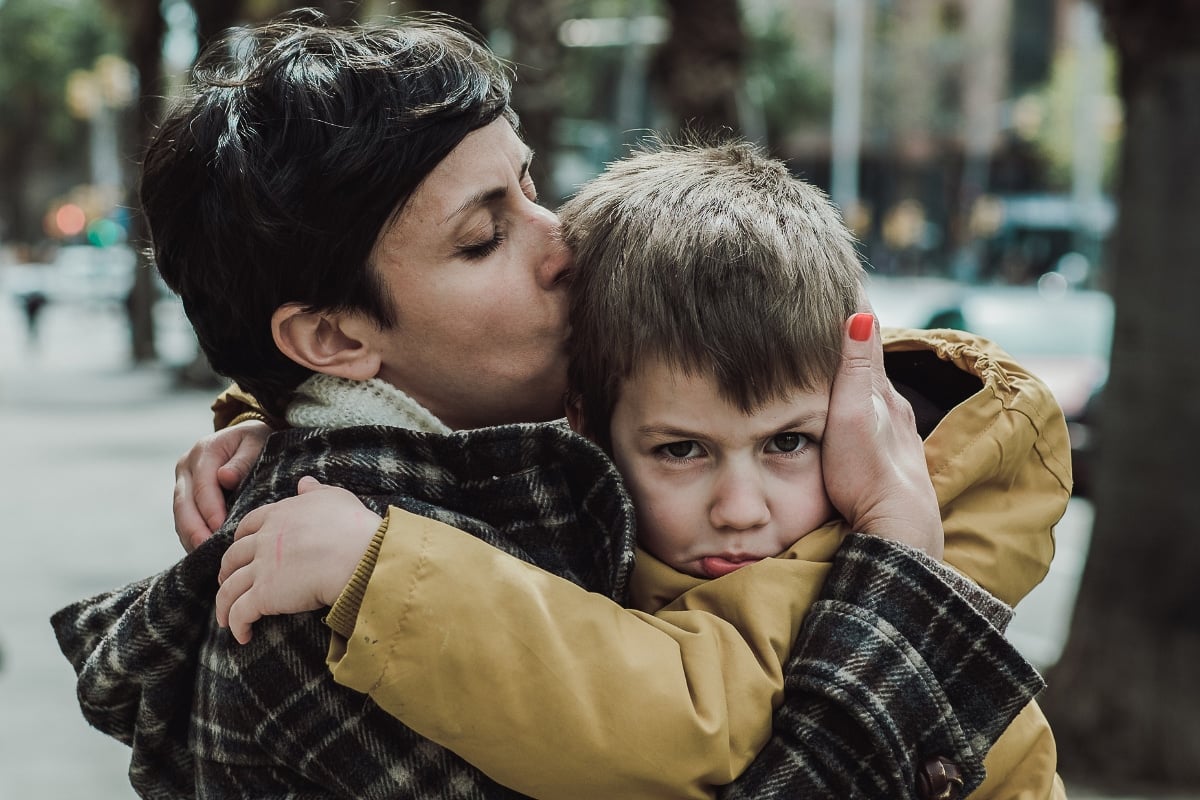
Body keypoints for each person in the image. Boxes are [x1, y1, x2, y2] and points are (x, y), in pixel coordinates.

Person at [51, 11, 1047, 800]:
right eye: (484, 237)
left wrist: (255, 416)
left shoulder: (494, 467)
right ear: (334, 341)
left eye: (529, 184)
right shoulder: (314, 620)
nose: (560, 240)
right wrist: (904, 570)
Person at [213, 140, 1069, 800]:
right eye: (682, 451)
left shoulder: (842, 558)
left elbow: (688, 707)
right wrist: (276, 420)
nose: (740, 508)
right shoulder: (610, 494)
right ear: (588, 425)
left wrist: (380, 571)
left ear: (861, 408)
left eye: (787, 444)